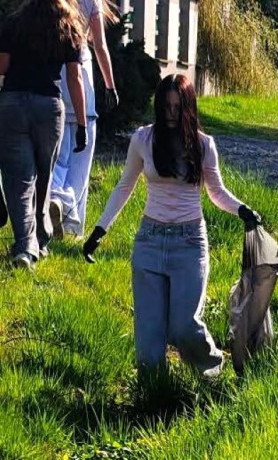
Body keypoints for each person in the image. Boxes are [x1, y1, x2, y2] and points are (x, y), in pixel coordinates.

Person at [82, 74, 261, 376]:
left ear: (188, 108)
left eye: (177, 108)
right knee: (149, 342)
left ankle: (212, 371)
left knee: (183, 327)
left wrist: (242, 209)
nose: (170, 114)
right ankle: (155, 393)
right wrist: (100, 229)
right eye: (165, 106)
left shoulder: (204, 145)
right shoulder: (143, 139)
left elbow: (216, 192)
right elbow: (124, 186)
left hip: (189, 243)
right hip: (149, 241)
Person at [0, 0, 88, 269]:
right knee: (44, 175)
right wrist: (83, 126)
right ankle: (38, 236)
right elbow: (74, 78)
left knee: (19, 178)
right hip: (50, 108)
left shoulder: (14, 22)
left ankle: (27, 246)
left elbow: (2, 66)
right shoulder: (69, 27)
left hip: (13, 104)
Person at [48, 0, 120, 239]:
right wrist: (110, 86)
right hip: (83, 85)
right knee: (80, 160)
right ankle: (71, 223)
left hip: (53, 83)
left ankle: (52, 199)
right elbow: (100, 47)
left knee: (56, 157)